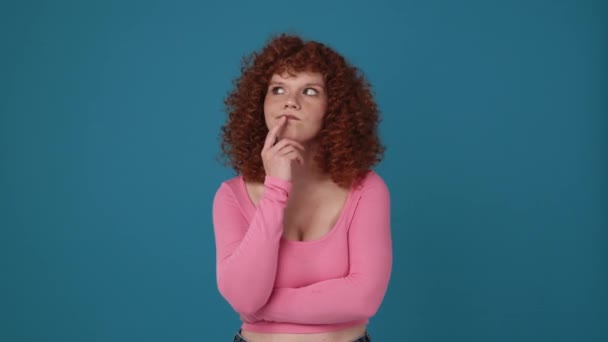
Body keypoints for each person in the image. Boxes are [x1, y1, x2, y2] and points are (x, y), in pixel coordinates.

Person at [212, 33, 392, 342]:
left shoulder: (367, 189)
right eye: (277, 89)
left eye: (309, 91)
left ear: (333, 107)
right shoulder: (231, 196)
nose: (290, 102)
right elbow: (243, 296)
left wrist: (263, 305)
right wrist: (276, 187)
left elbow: (363, 298)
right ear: (261, 103)